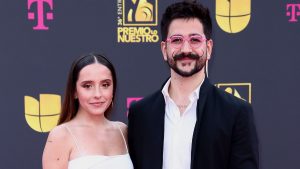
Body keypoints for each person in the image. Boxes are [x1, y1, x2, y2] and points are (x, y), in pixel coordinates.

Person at [128, 1, 259, 169]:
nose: (186, 49)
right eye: (176, 40)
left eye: (195, 39)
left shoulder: (235, 113)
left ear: (209, 48)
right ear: (164, 49)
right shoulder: (141, 113)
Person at [42, 53, 134, 169]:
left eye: (105, 85)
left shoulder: (123, 131)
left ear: (113, 88)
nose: (97, 94)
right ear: (74, 91)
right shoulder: (61, 135)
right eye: (87, 86)